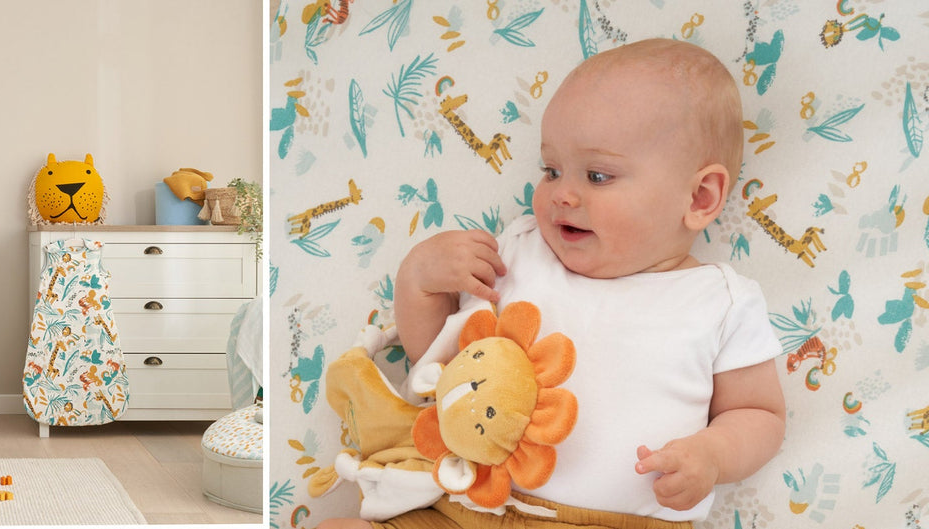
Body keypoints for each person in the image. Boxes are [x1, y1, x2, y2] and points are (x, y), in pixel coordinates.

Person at [324, 38, 787, 528]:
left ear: (699, 197)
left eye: (598, 175)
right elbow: (439, 363)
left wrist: (712, 455)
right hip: (467, 506)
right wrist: (419, 280)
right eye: (551, 170)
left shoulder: (719, 301)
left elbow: (760, 414)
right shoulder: (520, 254)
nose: (563, 193)